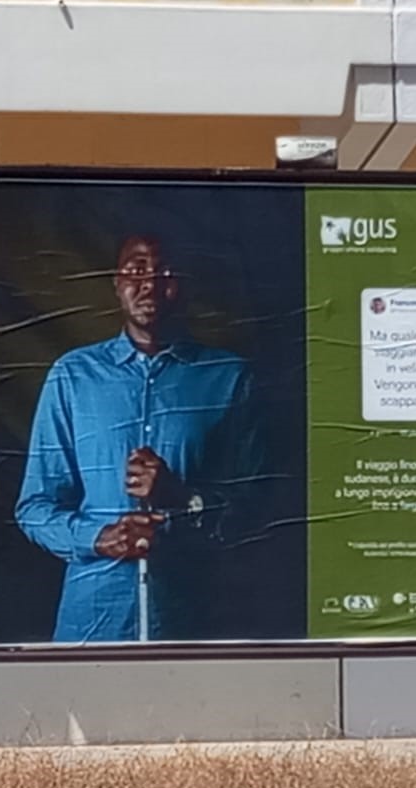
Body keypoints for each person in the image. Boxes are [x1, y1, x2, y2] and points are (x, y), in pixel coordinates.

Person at [15, 236, 264, 643]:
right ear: (116, 282)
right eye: (136, 269)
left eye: (164, 272)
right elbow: (34, 507)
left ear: (184, 284)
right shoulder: (73, 377)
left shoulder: (229, 378)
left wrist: (183, 498)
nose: (149, 283)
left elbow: (258, 508)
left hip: (193, 623)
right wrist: (99, 538)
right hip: (92, 625)